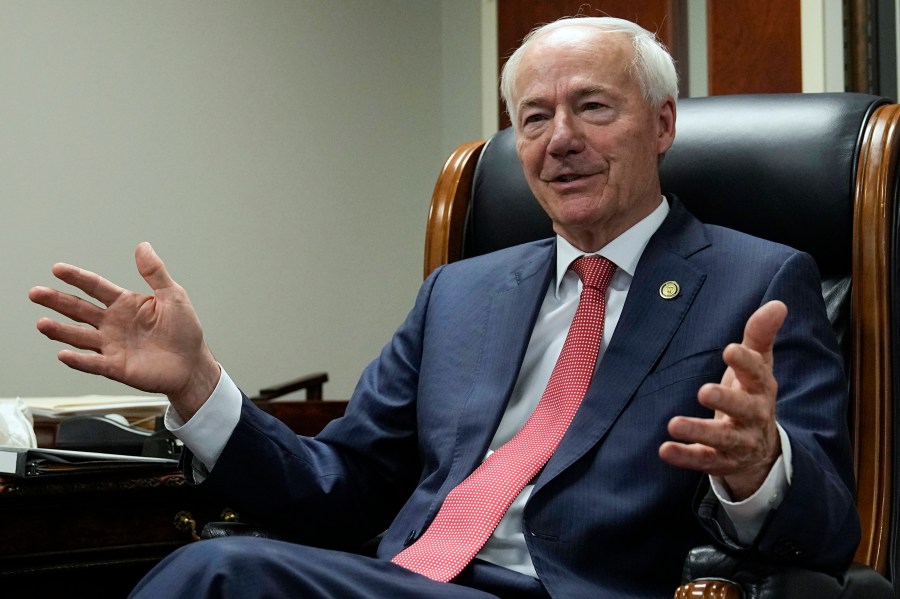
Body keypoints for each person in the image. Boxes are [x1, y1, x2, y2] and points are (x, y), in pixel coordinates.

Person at [28, 16, 859, 599]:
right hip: (407, 580)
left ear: (663, 123)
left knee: (217, 576)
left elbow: (831, 536)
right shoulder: (460, 292)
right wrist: (199, 385)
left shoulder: (759, 280)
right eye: (533, 117)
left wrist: (759, 467)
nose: (558, 138)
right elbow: (339, 489)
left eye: (593, 107)